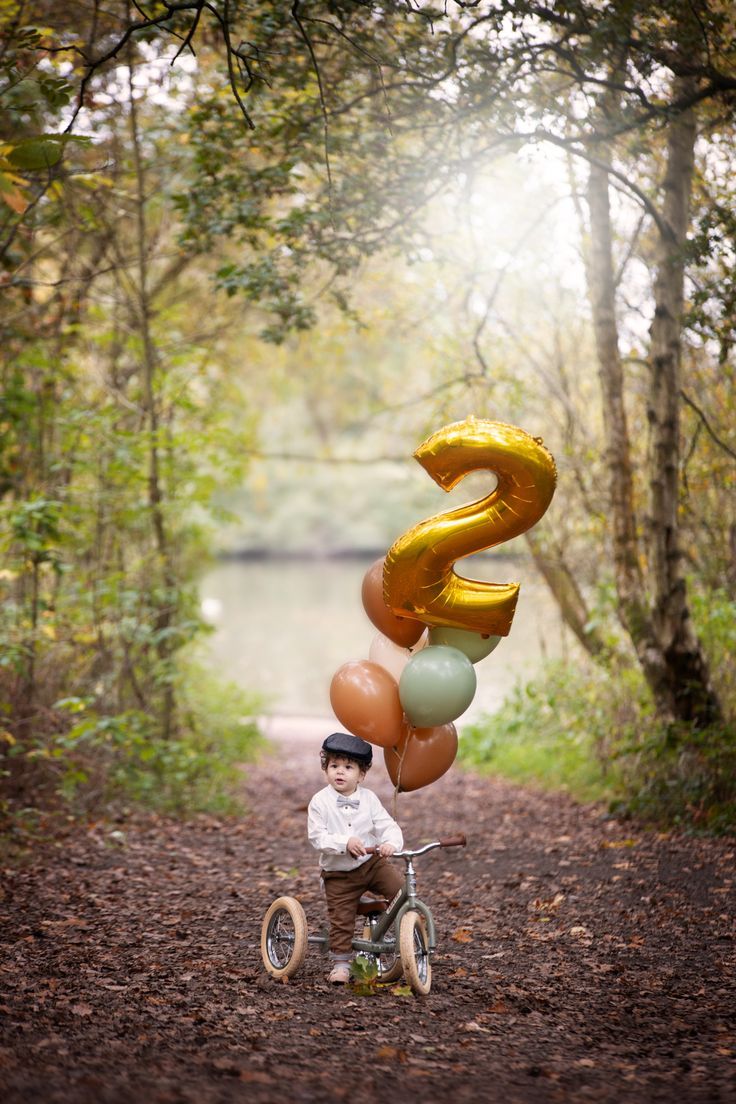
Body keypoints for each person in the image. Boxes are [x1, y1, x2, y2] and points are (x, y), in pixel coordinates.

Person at [307, 731, 404, 984]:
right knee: (342, 918)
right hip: (339, 872)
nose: (340, 771)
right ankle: (341, 964)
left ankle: (395, 934)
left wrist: (391, 843)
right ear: (325, 769)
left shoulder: (369, 799)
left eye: (348, 767)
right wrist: (344, 843)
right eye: (334, 766)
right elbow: (317, 837)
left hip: (370, 864)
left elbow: (387, 824)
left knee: (401, 890)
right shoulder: (320, 802)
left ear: (361, 774)